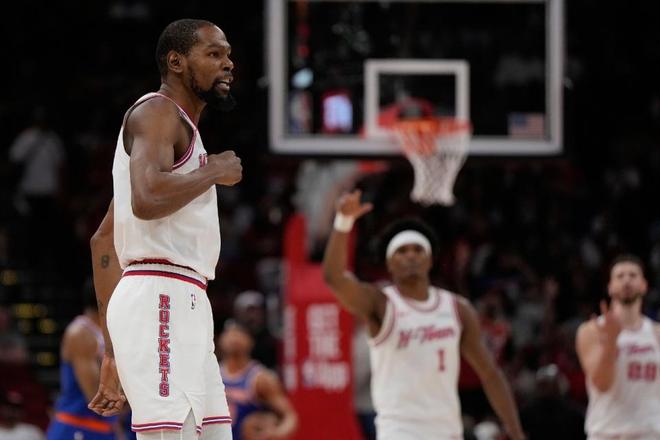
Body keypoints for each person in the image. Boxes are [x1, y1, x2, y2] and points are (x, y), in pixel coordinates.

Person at [87, 18, 243, 440]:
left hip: (182, 302)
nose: (228, 63)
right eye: (214, 54)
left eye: (228, 55)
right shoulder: (156, 112)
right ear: (176, 62)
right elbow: (147, 199)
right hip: (160, 295)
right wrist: (214, 171)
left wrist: (113, 353)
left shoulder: (180, 131)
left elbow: (104, 241)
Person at [321, 190, 525, 440]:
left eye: (418, 250)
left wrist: (516, 432)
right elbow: (334, 278)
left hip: (447, 431)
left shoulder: (457, 309)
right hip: (400, 431)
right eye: (402, 251)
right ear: (390, 264)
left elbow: (490, 373)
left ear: (429, 260)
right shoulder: (381, 303)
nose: (411, 256)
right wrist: (343, 222)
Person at [576, 254, 660, 439]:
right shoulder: (591, 330)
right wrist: (610, 343)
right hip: (606, 432)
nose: (626, 280)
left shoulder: (657, 333)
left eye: (632, 275)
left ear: (644, 285)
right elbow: (602, 384)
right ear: (610, 287)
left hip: (649, 432)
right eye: (620, 276)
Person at [46, 283, 119, 439]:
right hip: (76, 427)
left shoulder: (108, 332)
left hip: (103, 428)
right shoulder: (80, 334)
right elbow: (96, 397)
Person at [217, 322, 298, 440]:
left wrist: (276, 433)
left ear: (250, 341)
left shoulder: (260, 379)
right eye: (230, 333)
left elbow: (289, 416)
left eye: (239, 334)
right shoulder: (211, 375)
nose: (234, 338)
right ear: (220, 340)